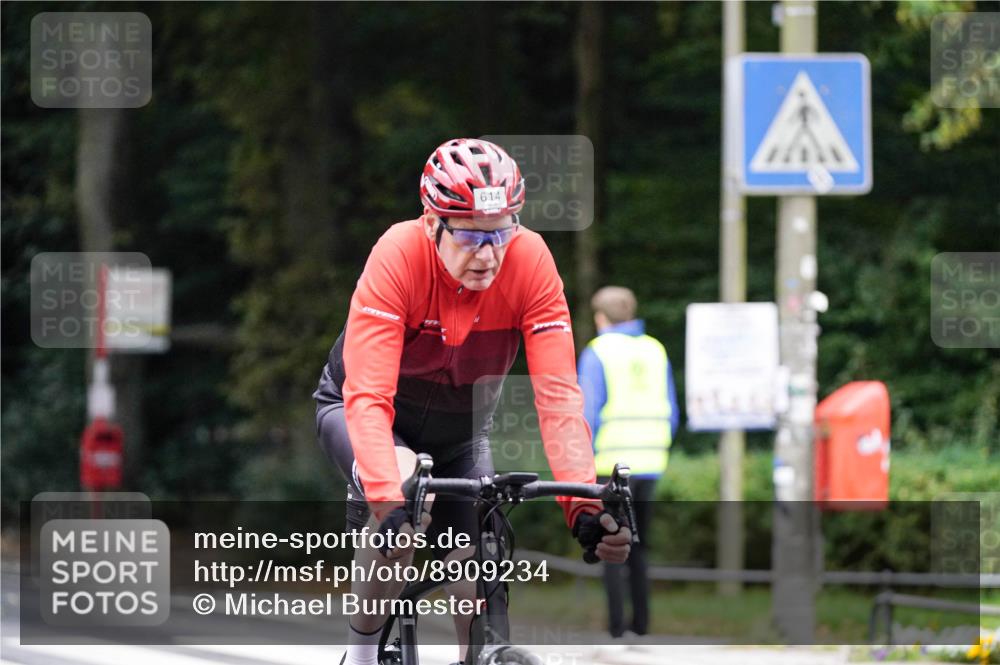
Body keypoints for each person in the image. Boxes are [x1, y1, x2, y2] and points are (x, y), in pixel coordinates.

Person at [313, 138, 631, 665]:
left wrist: (584, 507)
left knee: (478, 562)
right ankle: (362, 656)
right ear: (432, 222)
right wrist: (389, 502)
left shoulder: (529, 261)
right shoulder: (399, 253)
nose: (487, 253)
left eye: (501, 232)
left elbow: (557, 400)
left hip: (460, 434)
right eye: (468, 235)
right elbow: (368, 397)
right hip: (363, 415)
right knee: (404, 486)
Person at [577, 286, 679, 639]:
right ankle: (643, 625)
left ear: (600, 317)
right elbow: (672, 409)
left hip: (611, 462)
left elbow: (588, 411)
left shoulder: (598, 351)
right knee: (639, 545)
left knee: (611, 543)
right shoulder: (655, 349)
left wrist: (581, 460)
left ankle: (617, 627)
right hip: (651, 460)